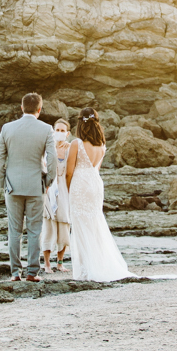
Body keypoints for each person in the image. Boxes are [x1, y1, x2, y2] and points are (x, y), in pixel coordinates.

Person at [0, 93, 57, 282]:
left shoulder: (7, 128)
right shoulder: (46, 129)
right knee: (34, 230)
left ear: (21, 108)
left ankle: (14, 273)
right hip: (35, 186)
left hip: (12, 186)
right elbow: (52, 159)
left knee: (14, 230)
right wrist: (49, 181)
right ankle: (32, 272)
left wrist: (2, 181)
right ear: (39, 109)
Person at [66, 107, 130, 282]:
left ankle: (87, 269)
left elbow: (68, 172)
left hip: (80, 184)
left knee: (80, 224)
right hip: (95, 183)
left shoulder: (76, 144)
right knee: (94, 224)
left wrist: (68, 190)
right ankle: (98, 265)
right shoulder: (102, 145)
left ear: (80, 123)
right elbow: (96, 168)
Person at [42, 119, 71, 273]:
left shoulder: (70, 149)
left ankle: (60, 262)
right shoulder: (47, 148)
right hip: (48, 189)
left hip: (64, 190)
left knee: (64, 224)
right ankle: (47, 264)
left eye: (62, 130)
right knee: (48, 224)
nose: (59, 133)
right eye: (57, 130)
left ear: (68, 133)